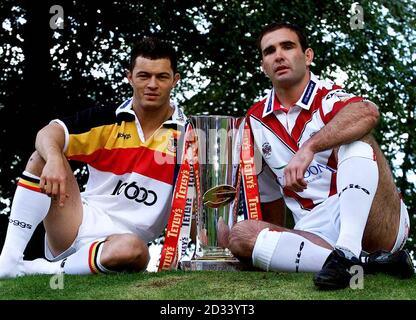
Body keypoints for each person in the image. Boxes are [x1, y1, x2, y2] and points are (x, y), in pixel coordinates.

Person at [229, 22, 414, 290]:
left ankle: (348, 251)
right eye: (270, 51)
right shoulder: (255, 122)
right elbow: (269, 199)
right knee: (241, 235)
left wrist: (309, 148)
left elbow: (367, 112)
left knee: (358, 140)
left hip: (375, 220)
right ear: (263, 65)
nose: (279, 55)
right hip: (315, 232)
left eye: (288, 46)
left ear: (307, 56)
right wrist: (262, 244)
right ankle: (366, 264)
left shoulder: (328, 97)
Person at [0, 37, 187, 277]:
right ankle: (9, 260)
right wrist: (56, 159)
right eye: (143, 76)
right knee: (43, 157)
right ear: (129, 77)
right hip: (76, 222)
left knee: (134, 249)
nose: (152, 84)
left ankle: (41, 270)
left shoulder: (187, 136)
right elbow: (48, 133)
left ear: (175, 80)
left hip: (123, 243)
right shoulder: (108, 118)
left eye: (161, 77)